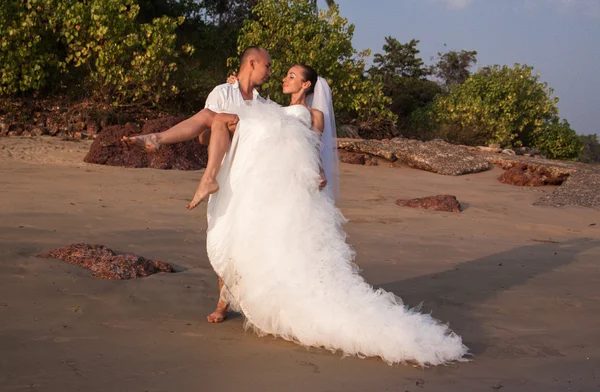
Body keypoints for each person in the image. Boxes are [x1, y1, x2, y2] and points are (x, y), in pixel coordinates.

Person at [203, 68, 469, 366]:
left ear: (306, 84)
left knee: (290, 247)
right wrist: (234, 86)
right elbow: (251, 116)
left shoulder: (313, 114)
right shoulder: (272, 108)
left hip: (295, 187)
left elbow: (313, 148)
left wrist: (318, 173)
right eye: (285, 75)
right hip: (272, 185)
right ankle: (236, 299)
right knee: (264, 242)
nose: (285, 78)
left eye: (292, 75)